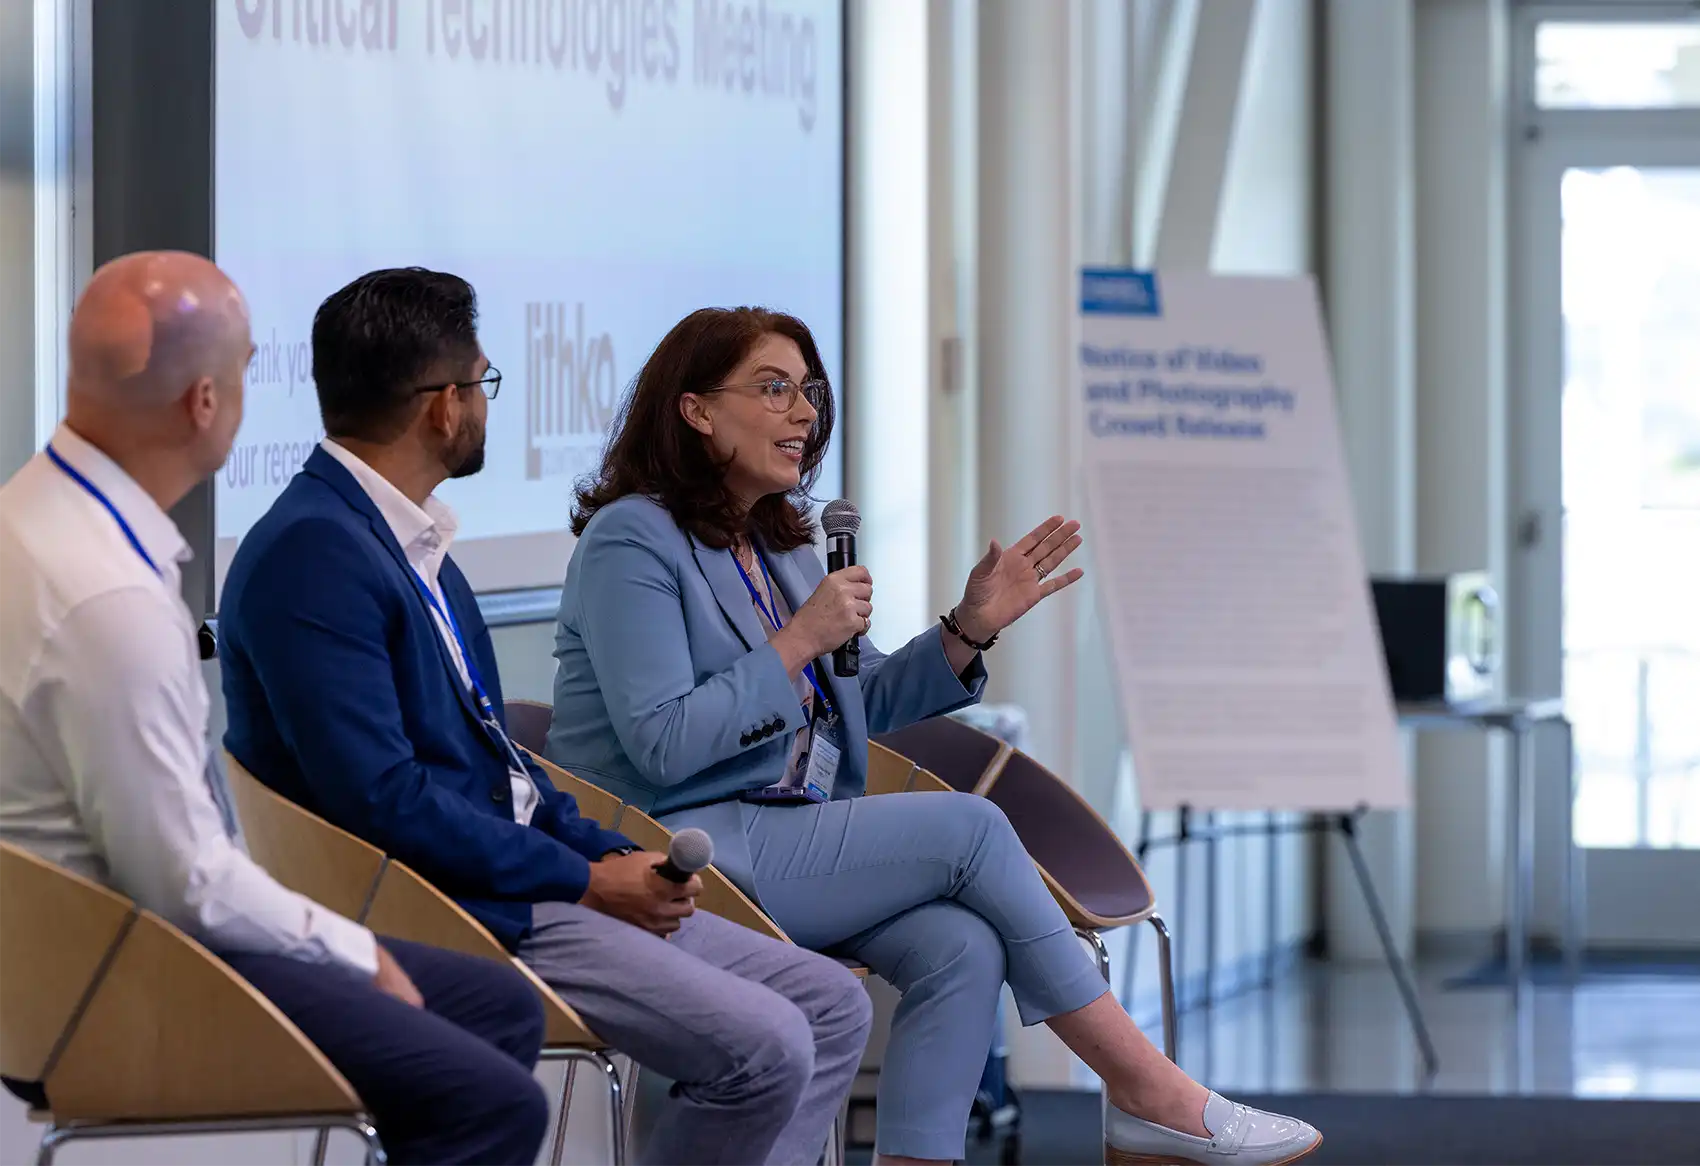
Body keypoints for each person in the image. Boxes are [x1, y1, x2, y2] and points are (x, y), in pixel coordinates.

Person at [547, 305, 1325, 1166]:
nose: (804, 413)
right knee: (970, 826)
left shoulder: (780, 541)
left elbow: (860, 700)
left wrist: (967, 629)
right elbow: (662, 742)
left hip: (788, 831)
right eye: (773, 390)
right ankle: (1149, 1090)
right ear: (696, 410)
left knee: (963, 945)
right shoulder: (632, 540)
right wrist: (798, 641)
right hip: (677, 842)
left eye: (809, 391)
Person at [217, 267, 873, 1166]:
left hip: (523, 875)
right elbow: (383, 801)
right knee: (770, 1042)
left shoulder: (415, 549)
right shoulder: (315, 555)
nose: (487, 404)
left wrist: (609, 853)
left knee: (833, 1004)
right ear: (443, 407)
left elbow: (501, 773)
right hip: (464, 902)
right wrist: (583, 880)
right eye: (482, 382)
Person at [0, 252, 550, 1165]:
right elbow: (186, 881)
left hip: (55, 956)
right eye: (248, 371)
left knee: (499, 1006)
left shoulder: (31, 519)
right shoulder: (110, 599)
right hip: (111, 974)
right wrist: (352, 950)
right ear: (204, 402)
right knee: (494, 1106)